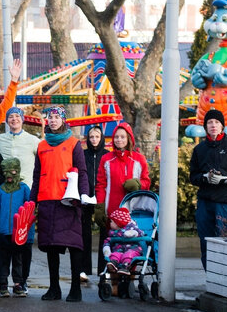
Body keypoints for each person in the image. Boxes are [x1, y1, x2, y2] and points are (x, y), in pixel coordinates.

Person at [31, 106, 90, 301]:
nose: (53, 120)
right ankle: (54, 288)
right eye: (50, 117)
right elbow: (37, 176)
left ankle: (75, 289)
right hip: (47, 200)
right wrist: (32, 200)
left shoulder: (74, 143)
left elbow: (82, 171)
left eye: (57, 117)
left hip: (68, 200)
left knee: (74, 245)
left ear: (63, 120)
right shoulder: (41, 146)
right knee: (51, 246)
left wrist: (83, 195)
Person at [188, 109, 227, 268]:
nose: (213, 125)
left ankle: (226, 276)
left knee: (225, 242)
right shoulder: (199, 149)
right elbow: (193, 176)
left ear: (222, 126)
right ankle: (209, 276)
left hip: (225, 202)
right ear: (205, 126)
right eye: (210, 122)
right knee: (205, 243)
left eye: (216, 122)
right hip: (204, 202)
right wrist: (204, 177)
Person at [93, 122, 150, 274]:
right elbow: (101, 184)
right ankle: (106, 277)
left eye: (122, 137)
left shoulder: (139, 159)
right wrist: (99, 206)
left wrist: (137, 184)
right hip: (112, 212)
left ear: (129, 138)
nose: (119, 140)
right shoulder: (106, 159)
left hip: (132, 213)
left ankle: (127, 276)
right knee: (110, 245)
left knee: (131, 247)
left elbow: (146, 182)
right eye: (116, 137)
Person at [0, 158, 33, 297]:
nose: (9, 175)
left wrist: (28, 233)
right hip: (3, 232)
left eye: (12, 172)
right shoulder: (0, 190)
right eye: (6, 172)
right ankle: (3, 284)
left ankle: (18, 283)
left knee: (18, 258)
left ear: (17, 171)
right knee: (4, 259)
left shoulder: (24, 189)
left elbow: (30, 211)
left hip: (19, 232)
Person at [81, 125, 109, 279]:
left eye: (97, 137)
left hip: (101, 197)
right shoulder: (83, 154)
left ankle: (103, 269)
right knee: (85, 233)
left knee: (105, 233)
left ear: (101, 138)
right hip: (86, 198)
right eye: (91, 137)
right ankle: (84, 269)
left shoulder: (107, 155)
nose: (94, 140)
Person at [0, 108, 39, 189]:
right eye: (11, 117)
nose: (14, 119)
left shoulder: (33, 140)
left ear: (22, 119)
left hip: (26, 187)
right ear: (7, 121)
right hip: (5, 187)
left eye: (17, 116)